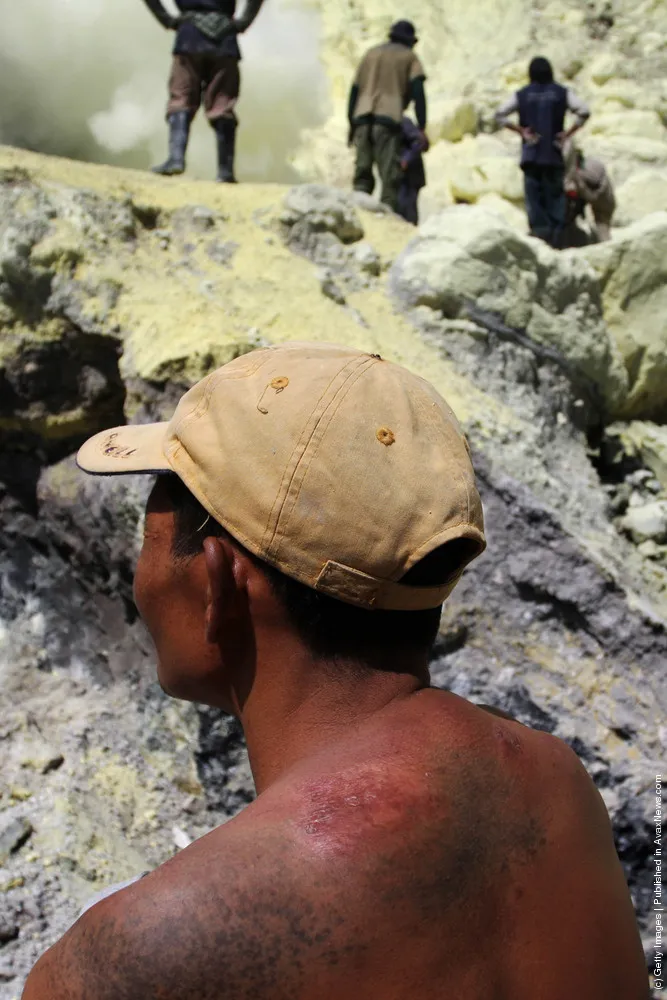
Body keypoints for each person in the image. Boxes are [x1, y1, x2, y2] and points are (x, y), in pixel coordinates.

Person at [23, 342, 647, 1000]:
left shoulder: (130, 959)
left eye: (147, 528)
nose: (138, 576)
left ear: (217, 584)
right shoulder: (548, 777)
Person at [142, 0, 264, 183]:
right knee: (222, 105)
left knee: (181, 99)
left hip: (189, 37)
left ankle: (176, 159)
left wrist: (167, 20)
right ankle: (225, 171)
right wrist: (244, 21)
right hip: (225, 39)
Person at [496, 56, 590, 248]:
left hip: (531, 155)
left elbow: (499, 114)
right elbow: (584, 111)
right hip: (553, 154)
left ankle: (540, 243)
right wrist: (568, 133)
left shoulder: (522, 94)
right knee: (555, 200)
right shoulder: (561, 93)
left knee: (535, 202)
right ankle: (558, 243)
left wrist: (520, 131)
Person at [348, 20, 427, 213]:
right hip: (388, 119)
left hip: (362, 118)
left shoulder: (370, 54)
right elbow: (418, 92)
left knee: (362, 172)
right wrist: (422, 125)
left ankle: (360, 213)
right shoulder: (409, 57)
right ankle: (387, 220)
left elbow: (354, 90)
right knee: (390, 176)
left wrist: (351, 122)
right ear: (410, 41)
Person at [564, 140, 616, 242]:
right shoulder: (591, 165)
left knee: (602, 227)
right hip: (600, 199)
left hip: (601, 199)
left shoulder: (588, 169)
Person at [397, 115, 429, 225]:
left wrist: (406, 160)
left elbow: (418, 141)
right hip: (402, 175)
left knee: (408, 211)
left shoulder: (403, 121)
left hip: (411, 175)